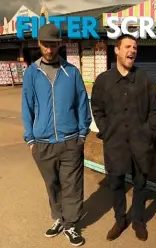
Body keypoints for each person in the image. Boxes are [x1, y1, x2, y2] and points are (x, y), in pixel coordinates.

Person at [21, 23, 92, 247]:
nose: (49, 50)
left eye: (53, 45)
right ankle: (59, 219)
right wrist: (31, 138)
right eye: (45, 45)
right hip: (42, 143)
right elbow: (27, 106)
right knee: (52, 185)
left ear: (59, 44)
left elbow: (82, 103)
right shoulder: (32, 73)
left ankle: (71, 224)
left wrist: (82, 134)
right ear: (39, 44)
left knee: (72, 184)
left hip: (70, 140)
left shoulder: (71, 72)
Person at [90, 34, 156, 242]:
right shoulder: (103, 81)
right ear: (117, 50)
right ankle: (120, 220)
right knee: (116, 184)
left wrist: (148, 132)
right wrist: (106, 132)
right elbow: (97, 109)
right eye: (128, 47)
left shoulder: (146, 80)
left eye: (135, 48)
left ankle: (138, 221)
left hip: (141, 144)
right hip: (115, 144)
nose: (132, 51)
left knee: (140, 184)